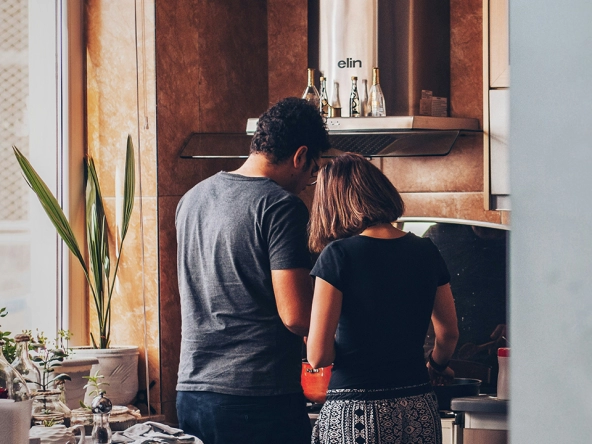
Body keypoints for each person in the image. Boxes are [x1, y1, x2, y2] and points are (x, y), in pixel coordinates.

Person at [175, 97, 330, 444]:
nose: (308, 181)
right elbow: (296, 316)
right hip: (257, 398)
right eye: (312, 170)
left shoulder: (192, 199)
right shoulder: (281, 206)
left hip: (192, 392)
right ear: (300, 156)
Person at [306, 153, 459, 444]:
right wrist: (436, 366)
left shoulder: (338, 256)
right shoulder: (427, 251)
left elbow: (318, 355)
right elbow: (449, 333)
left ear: (332, 204)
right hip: (418, 407)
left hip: (356, 412)